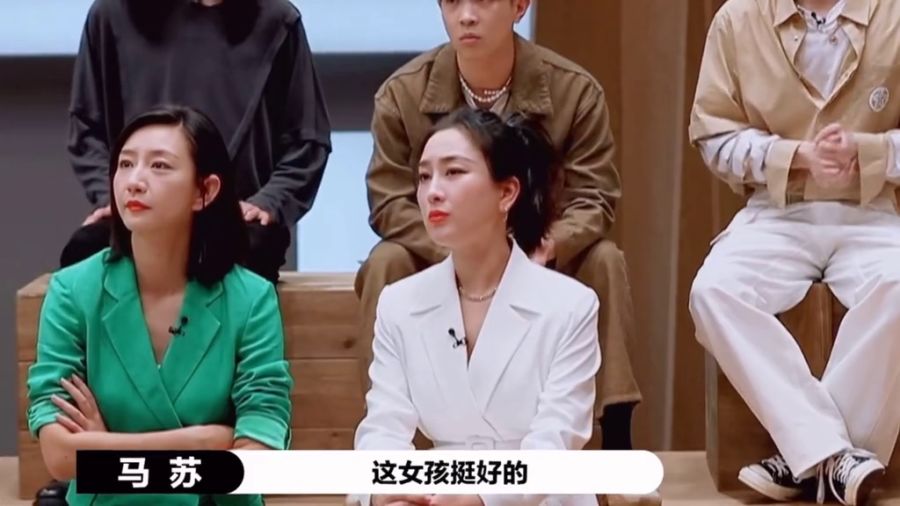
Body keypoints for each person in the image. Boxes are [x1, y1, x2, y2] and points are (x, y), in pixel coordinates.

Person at [355, 0, 640, 450]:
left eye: (483, 0)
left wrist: (544, 245)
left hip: (540, 248)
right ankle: (396, 433)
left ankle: (616, 433)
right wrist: (462, 249)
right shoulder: (402, 93)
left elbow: (595, 197)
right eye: (453, 1)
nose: (466, 15)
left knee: (605, 259)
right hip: (444, 251)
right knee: (385, 261)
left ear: (519, 6)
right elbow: (389, 200)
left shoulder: (574, 90)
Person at [27, 106, 293, 506]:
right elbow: (61, 456)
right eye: (125, 164)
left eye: (160, 166)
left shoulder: (251, 298)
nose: (134, 181)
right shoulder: (72, 291)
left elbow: (258, 457)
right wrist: (206, 440)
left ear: (205, 191)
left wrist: (105, 448)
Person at [689, 0, 900, 503]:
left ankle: (806, 454)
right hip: (777, 208)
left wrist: (867, 152)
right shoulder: (737, 19)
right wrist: (795, 156)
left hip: (872, 207)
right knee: (713, 291)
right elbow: (713, 137)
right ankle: (834, 455)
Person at [353, 108, 601, 506]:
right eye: (424, 176)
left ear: (506, 193)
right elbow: (384, 426)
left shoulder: (570, 305)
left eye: (453, 172)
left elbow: (556, 438)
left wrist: (484, 496)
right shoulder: (398, 304)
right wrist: (386, 491)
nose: (433, 191)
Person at [61, 0, 331, 283]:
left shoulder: (277, 19)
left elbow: (307, 137)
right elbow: (87, 126)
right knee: (85, 254)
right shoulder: (112, 14)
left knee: (248, 259)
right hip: (141, 210)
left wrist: (269, 200)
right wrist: (112, 196)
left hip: (237, 216)